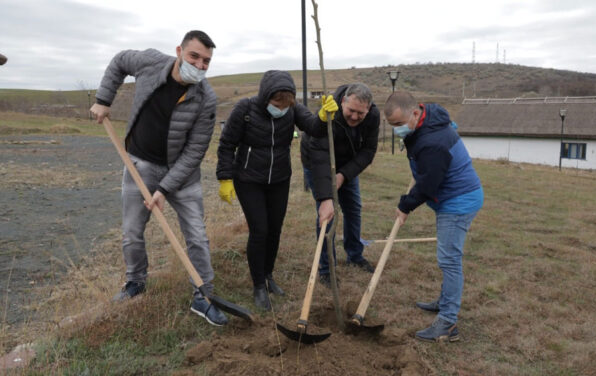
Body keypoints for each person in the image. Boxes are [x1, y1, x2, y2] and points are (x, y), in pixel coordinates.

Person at [90, 30, 228, 326]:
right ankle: (135, 282)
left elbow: (195, 151)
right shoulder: (150, 62)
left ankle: (203, 297)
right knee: (132, 231)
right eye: (194, 57)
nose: (200, 65)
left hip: (182, 175)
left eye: (206, 61)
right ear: (179, 51)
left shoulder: (206, 98)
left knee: (197, 237)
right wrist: (103, 99)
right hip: (139, 163)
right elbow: (119, 62)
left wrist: (164, 189)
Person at [216, 70, 337, 311]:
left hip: (279, 179)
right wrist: (225, 177)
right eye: (275, 104)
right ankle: (258, 285)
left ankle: (269, 275)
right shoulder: (245, 110)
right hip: (248, 179)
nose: (280, 109)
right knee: (259, 230)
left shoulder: (292, 109)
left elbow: (313, 128)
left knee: (274, 230)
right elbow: (227, 143)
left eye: (285, 104)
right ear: (265, 97)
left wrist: (324, 117)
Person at [383, 91, 483, 343]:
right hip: (454, 196)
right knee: (447, 255)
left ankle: (448, 322)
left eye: (399, 124)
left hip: (458, 200)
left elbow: (428, 185)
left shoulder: (433, 142)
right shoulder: (429, 120)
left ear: (415, 113)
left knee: (449, 259)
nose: (397, 130)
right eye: (392, 125)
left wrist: (405, 205)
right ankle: (444, 301)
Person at [300, 83, 380, 287]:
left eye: (360, 113)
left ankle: (354, 254)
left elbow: (368, 151)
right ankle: (326, 268)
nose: (354, 117)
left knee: (353, 209)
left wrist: (343, 175)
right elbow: (319, 156)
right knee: (326, 214)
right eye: (351, 111)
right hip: (317, 162)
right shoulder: (329, 114)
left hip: (347, 166)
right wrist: (326, 196)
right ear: (343, 101)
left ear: (368, 109)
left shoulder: (372, 116)